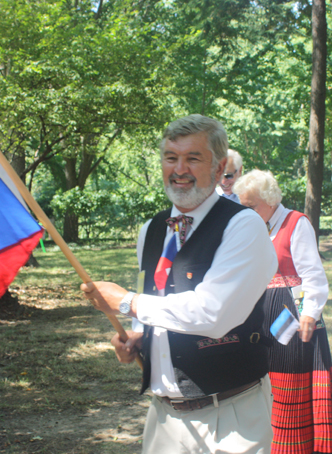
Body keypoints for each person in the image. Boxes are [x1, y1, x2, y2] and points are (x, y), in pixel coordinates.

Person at [81, 114, 278, 453]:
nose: (179, 169)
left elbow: (213, 314)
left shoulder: (243, 226)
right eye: (171, 158)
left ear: (218, 170)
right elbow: (152, 293)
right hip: (164, 419)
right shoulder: (152, 229)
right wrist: (138, 336)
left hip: (232, 419)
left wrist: (126, 301)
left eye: (193, 158)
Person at [234, 169, 332, 454]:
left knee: (291, 390)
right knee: (267, 390)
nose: (245, 211)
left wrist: (309, 315)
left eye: (249, 205)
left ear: (269, 200)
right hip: (264, 321)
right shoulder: (258, 228)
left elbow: (313, 276)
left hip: (293, 321)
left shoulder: (295, 223)